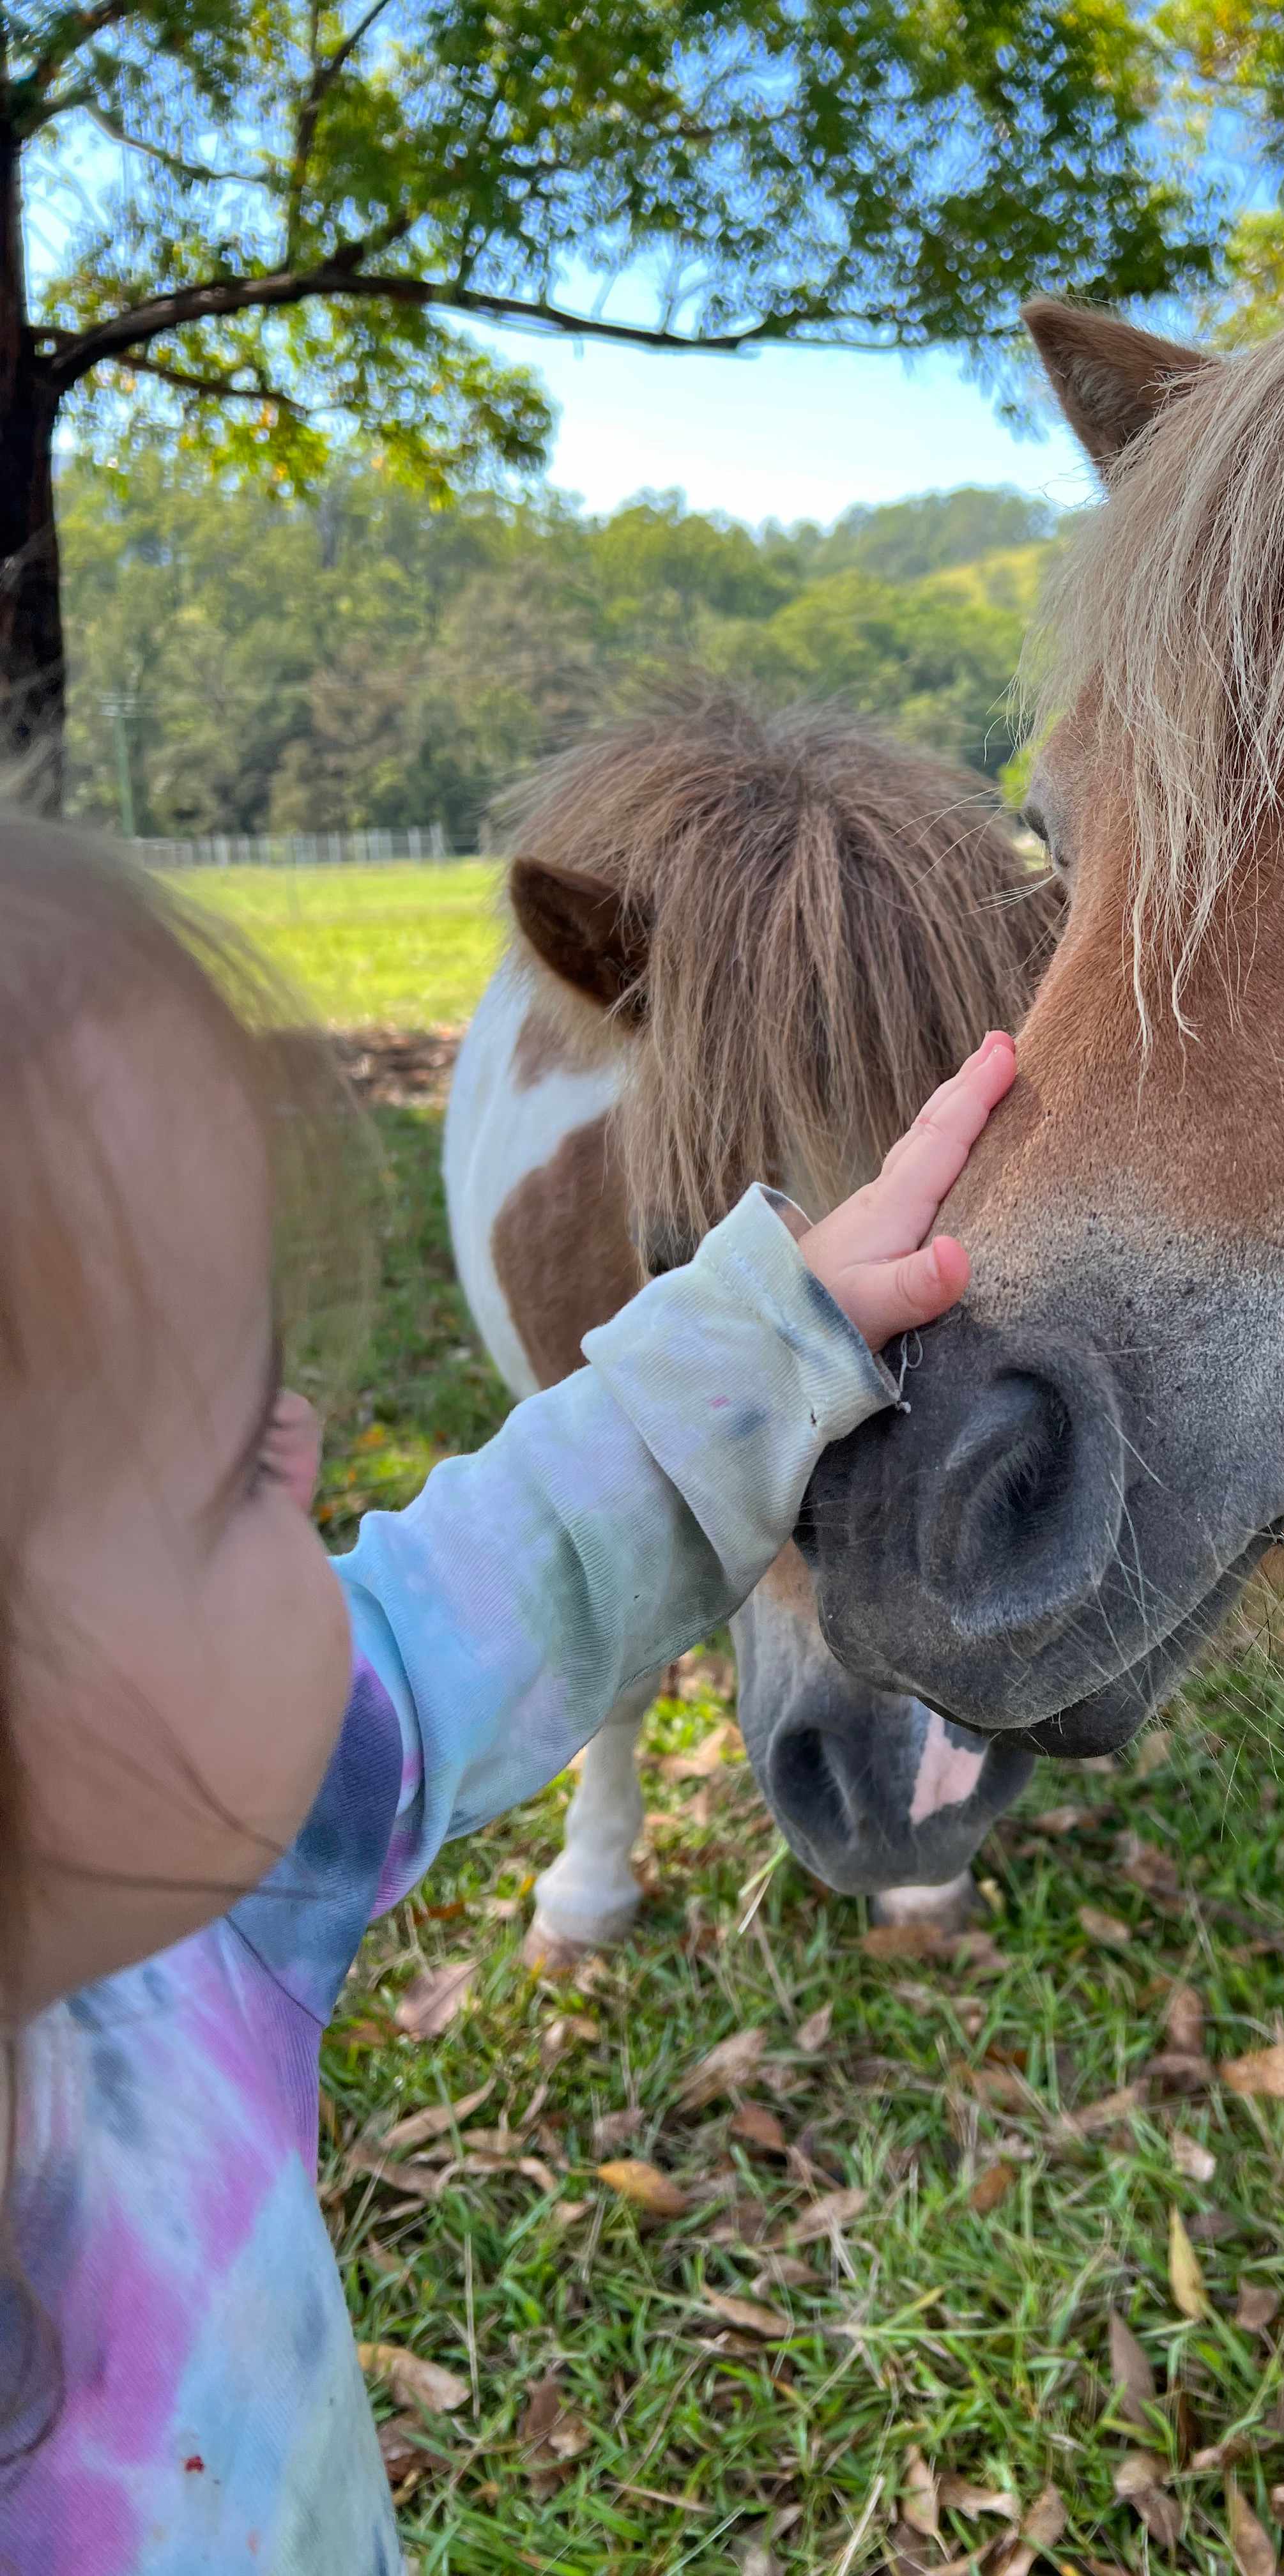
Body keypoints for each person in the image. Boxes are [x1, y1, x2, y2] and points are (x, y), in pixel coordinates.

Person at [0, 817, 1016, 2573]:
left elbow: (471, 1593)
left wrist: (774, 1340)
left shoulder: (176, 1886)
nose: (312, 1448)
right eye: (235, 1468)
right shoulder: (175, 1897)